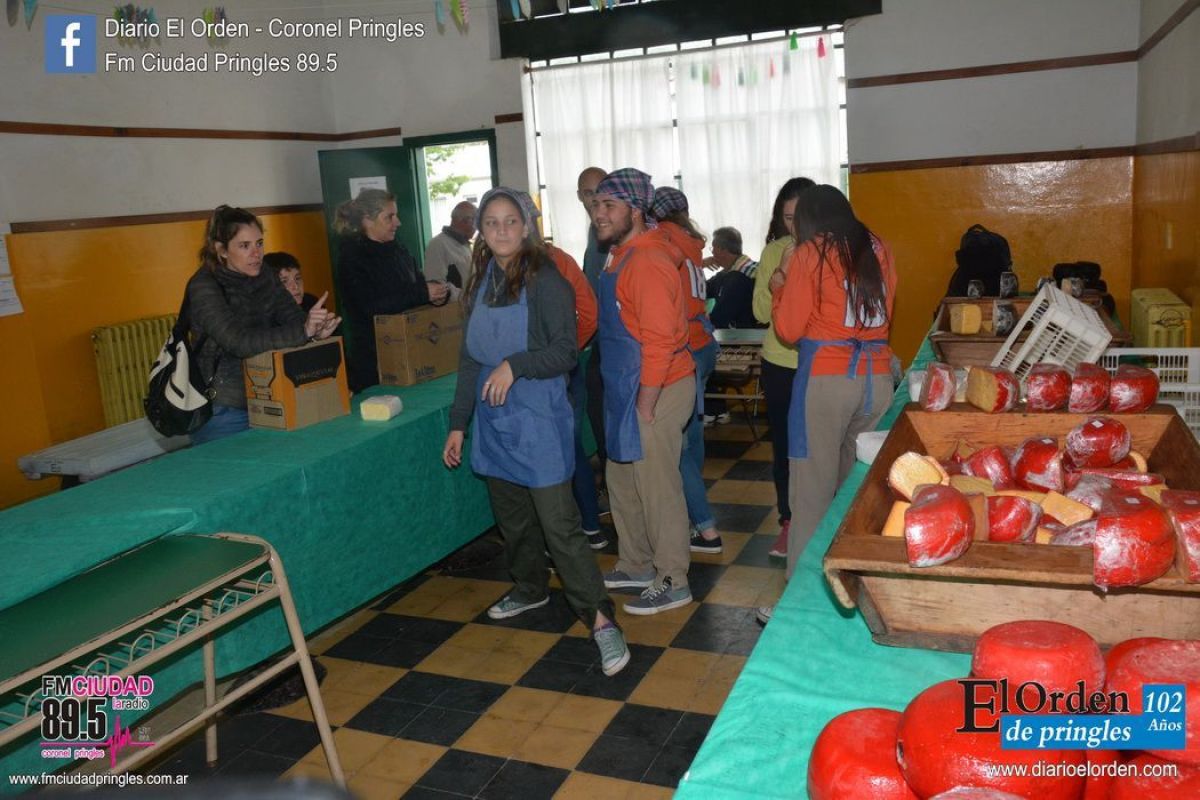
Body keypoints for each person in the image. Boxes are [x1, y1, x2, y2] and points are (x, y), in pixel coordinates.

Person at [442, 187, 629, 676]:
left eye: (510, 221)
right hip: (494, 421)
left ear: (526, 226)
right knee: (515, 521)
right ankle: (528, 589)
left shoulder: (546, 279)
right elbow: (468, 359)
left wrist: (516, 364)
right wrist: (458, 424)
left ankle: (601, 619)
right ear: (482, 230)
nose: (501, 230)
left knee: (560, 527)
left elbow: (566, 351)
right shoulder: (481, 278)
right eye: (492, 223)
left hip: (539, 418)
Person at [760, 184, 896, 625]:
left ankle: (798, 603)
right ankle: (862, 590)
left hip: (826, 379)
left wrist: (780, 285)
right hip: (877, 378)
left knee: (811, 491)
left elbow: (788, 328)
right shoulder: (880, 246)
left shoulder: (808, 254)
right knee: (859, 490)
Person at [593, 168, 696, 615]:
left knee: (657, 486)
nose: (598, 214)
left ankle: (673, 578)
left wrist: (648, 402)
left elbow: (661, 339)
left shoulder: (649, 261)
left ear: (635, 211)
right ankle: (635, 562)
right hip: (627, 386)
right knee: (623, 478)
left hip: (660, 385)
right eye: (596, 205)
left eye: (608, 206)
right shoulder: (620, 255)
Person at [185, 206, 340, 445]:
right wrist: (303, 331)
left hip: (272, 394)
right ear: (221, 250)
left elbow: (293, 318)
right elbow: (239, 342)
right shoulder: (204, 286)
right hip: (222, 408)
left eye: (259, 243)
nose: (256, 254)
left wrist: (316, 332)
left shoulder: (265, 274)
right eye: (244, 246)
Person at [522, 193, 606, 550]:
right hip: (556, 369)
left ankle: (571, 528)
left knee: (553, 449)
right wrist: (570, 351)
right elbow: (588, 314)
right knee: (566, 447)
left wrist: (566, 353)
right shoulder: (558, 259)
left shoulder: (509, 266)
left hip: (534, 374)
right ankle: (588, 524)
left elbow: (589, 313)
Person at [650, 187, 722, 555]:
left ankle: (706, 528)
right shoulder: (692, 243)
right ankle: (696, 518)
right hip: (705, 343)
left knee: (677, 446)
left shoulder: (662, 242)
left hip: (685, 351)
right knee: (692, 438)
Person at [334, 189, 451, 393]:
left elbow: (414, 288)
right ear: (368, 220)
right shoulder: (352, 257)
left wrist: (437, 294)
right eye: (390, 217)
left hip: (415, 349)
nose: (398, 222)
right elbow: (371, 306)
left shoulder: (398, 249)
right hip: (376, 360)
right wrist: (423, 293)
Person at [752, 177, 815, 559]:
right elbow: (761, 312)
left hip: (821, 363)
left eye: (802, 216)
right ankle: (788, 521)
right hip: (780, 363)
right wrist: (781, 280)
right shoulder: (775, 252)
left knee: (820, 449)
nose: (795, 226)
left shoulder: (830, 253)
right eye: (788, 217)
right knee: (785, 449)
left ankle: (820, 521)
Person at [577, 166, 610, 472]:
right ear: (580, 197)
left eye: (601, 190)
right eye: (589, 193)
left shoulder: (616, 231)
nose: (595, 199)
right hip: (599, 339)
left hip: (618, 342)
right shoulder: (593, 232)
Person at [706, 227, 760, 330]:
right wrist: (700, 264)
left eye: (713, 248)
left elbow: (718, 319)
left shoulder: (740, 277)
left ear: (723, 250)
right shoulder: (725, 274)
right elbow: (701, 290)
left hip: (747, 341)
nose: (712, 252)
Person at [422, 200, 477, 297]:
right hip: (453, 309)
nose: (476, 228)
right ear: (466, 221)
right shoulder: (438, 244)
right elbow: (436, 286)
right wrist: (466, 298)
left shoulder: (465, 245)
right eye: (475, 222)